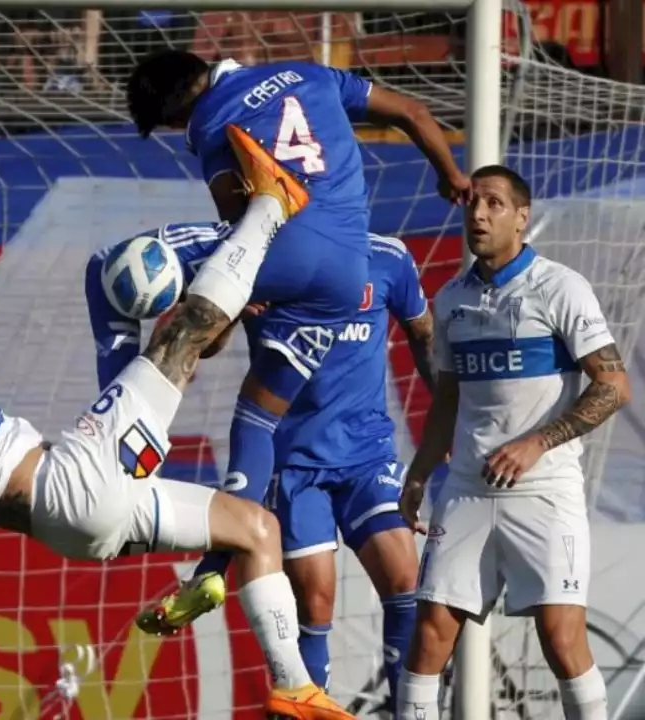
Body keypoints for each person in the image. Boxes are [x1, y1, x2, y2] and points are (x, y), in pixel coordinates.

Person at [0, 171, 353, 719]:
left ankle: (292, 686)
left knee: (257, 529)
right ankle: (270, 205)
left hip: (78, 523)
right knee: (181, 333)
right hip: (71, 485)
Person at [124, 50, 468, 594]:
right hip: (345, 274)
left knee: (141, 295)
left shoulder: (209, 120)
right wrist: (451, 175)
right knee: (384, 590)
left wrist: (222, 305)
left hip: (286, 267)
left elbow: (240, 220)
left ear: (175, 111)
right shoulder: (312, 74)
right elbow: (411, 110)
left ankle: (150, 495)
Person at [88, 228, 436, 702]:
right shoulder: (260, 258)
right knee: (315, 601)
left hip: (366, 453)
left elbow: (423, 333)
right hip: (292, 460)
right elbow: (206, 346)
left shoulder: (389, 257)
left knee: (404, 582)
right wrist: (233, 315)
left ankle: (411, 712)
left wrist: (446, 414)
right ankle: (310, 706)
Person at [396, 166, 628, 720]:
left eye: (494, 203)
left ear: (522, 218)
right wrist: (420, 472)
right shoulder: (450, 299)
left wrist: (536, 443)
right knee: (430, 635)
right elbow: (448, 399)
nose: (477, 214)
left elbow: (613, 385)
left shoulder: (560, 287)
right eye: (473, 202)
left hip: (544, 490)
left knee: (562, 638)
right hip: (470, 490)